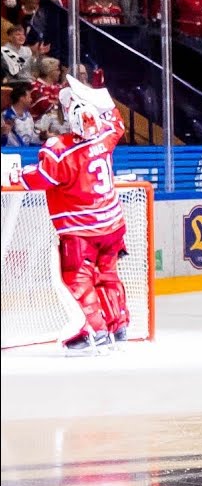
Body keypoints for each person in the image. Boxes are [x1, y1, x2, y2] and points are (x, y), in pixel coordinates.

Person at [9, 77, 131, 352]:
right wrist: (95, 94)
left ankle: (95, 332)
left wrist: (16, 175)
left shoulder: (60, 150)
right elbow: (116, 119)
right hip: (113, 226)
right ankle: (119, 326)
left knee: (78, 278)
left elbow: (42, 178)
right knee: (108, 275)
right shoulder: (107, 136)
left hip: (81, 232)